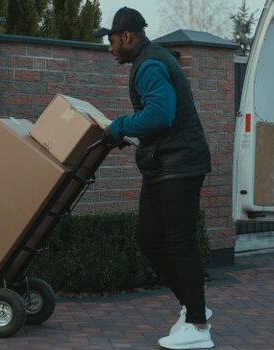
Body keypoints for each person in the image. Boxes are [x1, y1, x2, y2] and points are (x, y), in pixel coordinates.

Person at [95, 7, 214, 350]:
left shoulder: (149, 65)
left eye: (112, 40)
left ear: (127, 36)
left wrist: (118, 127)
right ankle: (194, 306)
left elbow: (161, 114)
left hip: (180, 166)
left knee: (180, 243)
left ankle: (198, 327)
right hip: (164, 165)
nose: (110, 47)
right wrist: (127, 134)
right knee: (149, 237)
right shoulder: (148, 60)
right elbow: (158, 118)